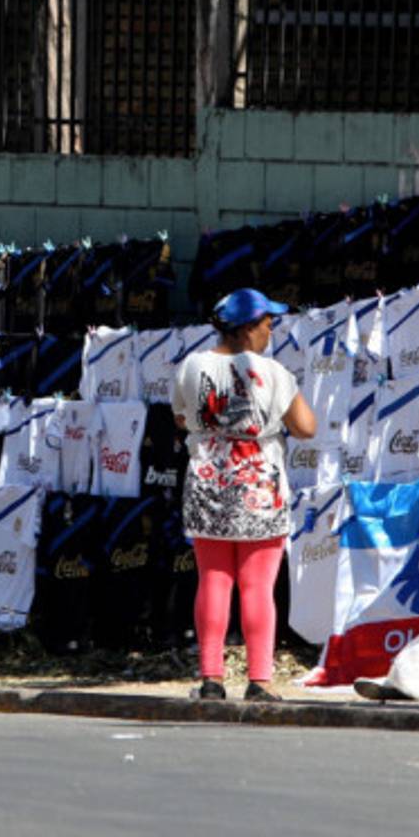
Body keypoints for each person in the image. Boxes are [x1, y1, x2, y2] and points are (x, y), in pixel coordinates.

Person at [172, 288, 316, 702]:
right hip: (260, 487)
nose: (271, 331)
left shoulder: (191, 365)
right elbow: (306, 427)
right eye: (268, 323)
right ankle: (259, 681)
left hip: (208, 483)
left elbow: (180, 417)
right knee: (257, 588)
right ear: (248, 327)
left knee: (213, 581)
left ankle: (211, 679)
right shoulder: (274, 372)